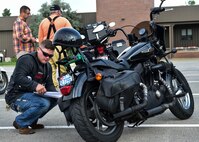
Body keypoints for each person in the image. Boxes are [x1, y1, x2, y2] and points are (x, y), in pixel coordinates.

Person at [5, 39, 57, 135]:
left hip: (30, 95)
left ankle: (31, 121)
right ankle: (20, 122)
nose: (47, 58)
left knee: (54, 100)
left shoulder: (48, 66)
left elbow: (50, 85)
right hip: (14, 96)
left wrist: (59, 95)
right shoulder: (26, 59)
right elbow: (18, 77)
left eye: (50, 56)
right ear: (38, 49)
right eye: (45, 54)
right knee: (43, 103)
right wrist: (35, 85)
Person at [38, 4, 72, 89]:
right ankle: (65, 87)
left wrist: (42, 51)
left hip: (46, 48)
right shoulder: (63, 20)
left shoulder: (43, 22)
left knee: (51, 69)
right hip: (59, 47)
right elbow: (71, 33)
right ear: (58, 12)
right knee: (63, 68)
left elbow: (40, 39)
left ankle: (53, 88)